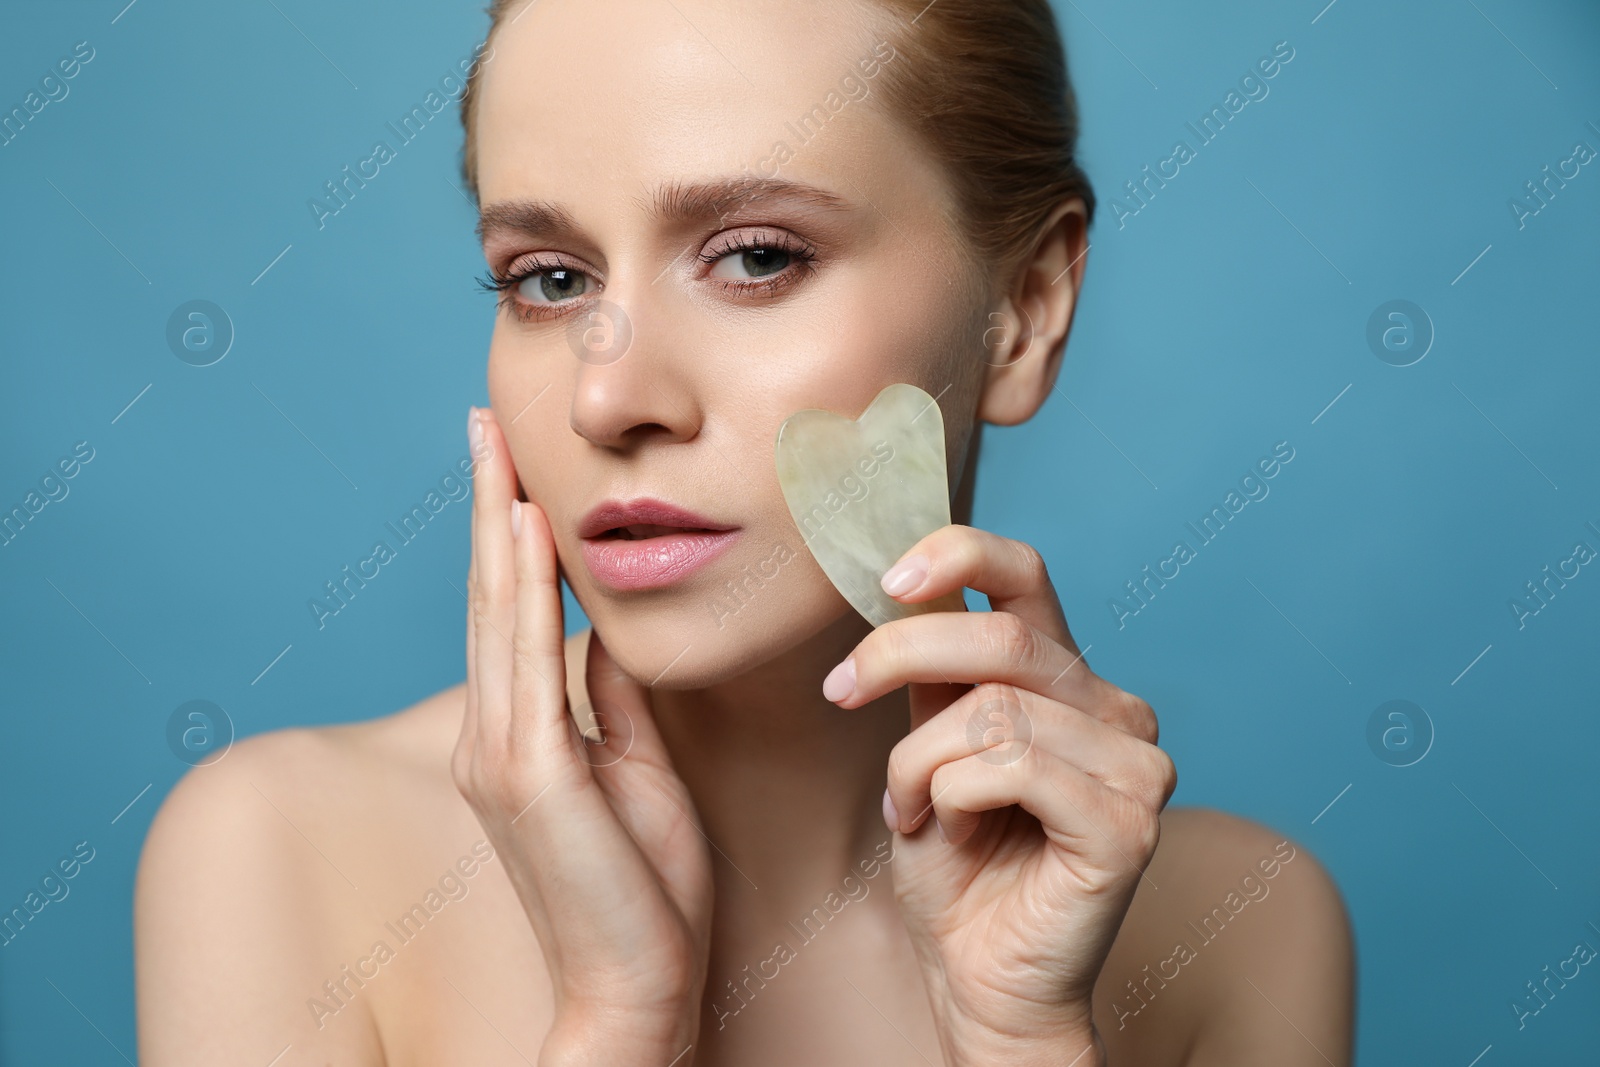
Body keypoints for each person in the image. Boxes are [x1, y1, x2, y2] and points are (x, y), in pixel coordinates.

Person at [135, 1, 1354, 1063]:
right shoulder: (280, 854)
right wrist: (617, 1020)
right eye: (549, 278)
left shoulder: (1238, 929)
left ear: (1025, 309)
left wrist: (1024, 1042)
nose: (608, 398)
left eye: (757, 256)